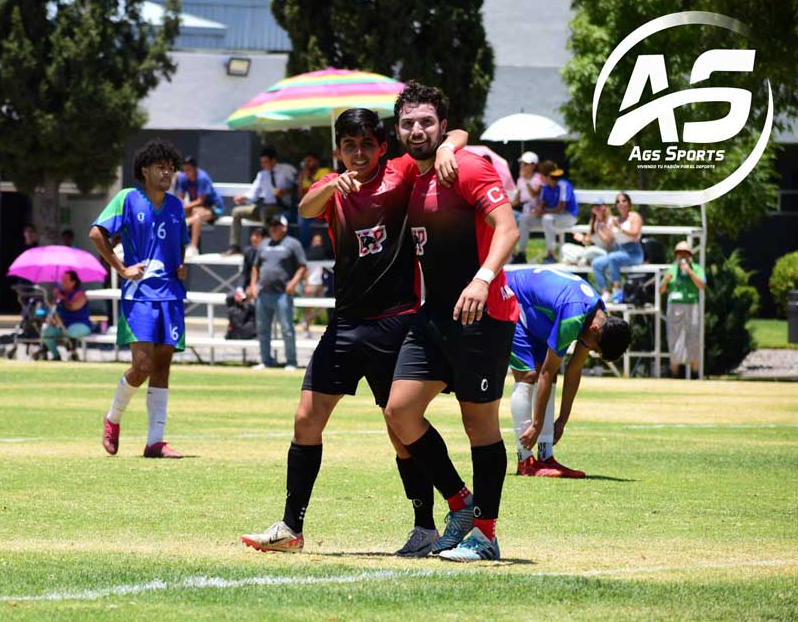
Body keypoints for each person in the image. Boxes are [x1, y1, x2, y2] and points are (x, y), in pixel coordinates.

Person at [240, 107, 468, 556]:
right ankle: (291, 527)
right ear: (338, 150)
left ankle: (426, 526)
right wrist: (328, 183)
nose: (358, 153)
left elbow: (457, 128)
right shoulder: (333, 186)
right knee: (306, 419)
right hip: (344, 323)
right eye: (349, 146)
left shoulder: (401, 171)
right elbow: (305, 208)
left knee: (399, 427)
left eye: (366, 144)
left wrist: (446, 147)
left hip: (396, 321)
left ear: (382, 146)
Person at [384, 81, 519, 563]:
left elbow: (508, 227)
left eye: (427, 122)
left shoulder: (465, 164)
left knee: (477, 423)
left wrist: (482, 279)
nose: (416, 129)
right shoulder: (410, 171)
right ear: (398, 131)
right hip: (434, 316)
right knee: (398, 411)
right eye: (407, 122)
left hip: (484, 314)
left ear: (441, 125)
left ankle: (486, 535)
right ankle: (460, 504)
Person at [89, 138, 188, 459]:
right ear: (144, 170)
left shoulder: (174, 205)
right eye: (161, 167)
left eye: (171, 168)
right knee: (142, 366)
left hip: (171, 295)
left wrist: (181, 264)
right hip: (140, 295)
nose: (167, 173)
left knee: (163, 367)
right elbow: (96, 233)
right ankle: (113, 418)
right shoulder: (127, 199)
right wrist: (121, 268)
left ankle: (155, 441)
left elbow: (180, 243)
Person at [505, 267, 632, 477]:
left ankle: (546, 457)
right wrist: (536, 425)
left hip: (537, 312)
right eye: (594, 348)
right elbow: (545, 372)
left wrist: (562, 420)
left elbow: (573, 370)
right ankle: (525, 460)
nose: (589, 350)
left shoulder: (597, 319)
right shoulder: (574, 318)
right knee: (529, 376)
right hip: (513, 298)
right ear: (595, 331)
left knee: (552, 375)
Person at [248, 214, 306, 370]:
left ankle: (291, 361)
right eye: (271, 225)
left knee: (287, 329)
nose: (273, 228)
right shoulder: (264, 244)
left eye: (277, 225)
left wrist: (293, 283)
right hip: (263, 293)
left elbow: (302, 266)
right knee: (262, 329)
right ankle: (266, 360)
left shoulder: (293, 244)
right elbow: (255, 266)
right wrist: (253, 285)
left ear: (284, 227)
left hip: (283, 294)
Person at [226, 147, 297, 255]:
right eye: (261, 162)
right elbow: (254, 194)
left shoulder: (287, 170)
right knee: (237, 212)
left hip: (281, 207)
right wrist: (243, 197)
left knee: (264, 211)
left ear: (273, 161)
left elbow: (298, 186)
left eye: (265, 162)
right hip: (266, 207)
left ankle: (272, 243)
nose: (263, 165)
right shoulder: (262, 174)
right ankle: (234, 246)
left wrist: (284, 191)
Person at [660, 241, 706, 378]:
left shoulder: (697, 268)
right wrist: (666, 281)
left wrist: (690, 272)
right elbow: (661, 290)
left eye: (685, 253)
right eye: (679, 253)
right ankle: (675, 373)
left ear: (690, 255)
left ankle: (695, 373)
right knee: (674, 338)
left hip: (692, 305)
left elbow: (702, 286)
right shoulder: (671, 269)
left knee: (693, 336)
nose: (682, 256)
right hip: (674, 306)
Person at [591, 192, 644, 303]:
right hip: (618, 251)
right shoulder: (616, 220)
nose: (621, 203)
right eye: (618, 201)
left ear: (629, 203)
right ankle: (606, 292)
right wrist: (598, 229)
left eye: (624, 200)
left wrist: (619, 228)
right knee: (596, 263)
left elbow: (635, 233)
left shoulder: (634, 216)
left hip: (633, 253)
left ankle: (617, 290)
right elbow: (609, 242)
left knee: (613, 258)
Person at [174, 155, 224, 257]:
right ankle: (177, 245)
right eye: (185, 170)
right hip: (195, 208)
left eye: (189, 170)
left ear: (195, 168)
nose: (187, 173)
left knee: (197, 215)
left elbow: (200, 201)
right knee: (177, 214)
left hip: (214, 208)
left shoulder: (202, 178)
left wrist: (187, 216)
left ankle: (193, 247)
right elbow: (180, 198)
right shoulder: (183, 178)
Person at [532, 160, 577, 264]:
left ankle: (551, 255)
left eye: (541, 176)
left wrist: (542, 212)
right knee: (526, 219)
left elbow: (560, 208)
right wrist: (537, 210)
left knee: (547, 219)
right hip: (552, 217)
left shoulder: (563, 185)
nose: (540, 178)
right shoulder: (545, 187)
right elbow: (541, 205)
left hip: (568, 217)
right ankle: (520, 254)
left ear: (547, 176)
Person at [41, 270, 92, 361]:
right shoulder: (60, 293)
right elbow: (54, 310)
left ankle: (72, 351)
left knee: (70, 332)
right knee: (46, 331)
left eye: (65, 280)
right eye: (61, 280)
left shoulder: (80, 294)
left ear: (73, 283)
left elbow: (72, 307)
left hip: (80, 325)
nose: (62, 282)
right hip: (63, 326)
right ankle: (56, 356)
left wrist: (61, 297)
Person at [560, 198, 615, 265]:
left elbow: (608, 243)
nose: (596, 208)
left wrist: (598, 230)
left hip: (606, 253)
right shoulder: (593, 221)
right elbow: (587, 242)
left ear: (605, 207)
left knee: (591, 250)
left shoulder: (611, 221)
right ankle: (581, 260)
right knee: (566, 247)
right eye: (594, 206)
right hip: (592, 252)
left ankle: (575, 260)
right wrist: (581, 238)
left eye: (598, 205)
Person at [512, 151, 542, 263]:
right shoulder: (520, 180)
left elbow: (535, 194)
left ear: (534, 165)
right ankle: (511, 253)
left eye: (525, 164)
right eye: (522, 164)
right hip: (524, 213)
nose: (522, 166)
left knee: (523, 220)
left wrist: (527, 181)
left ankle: (521, 253)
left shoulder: (539, 178)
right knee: (508, 216)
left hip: (535, 214)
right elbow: (517, 200)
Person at [297, 153, 332, 247]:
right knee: (302, 218)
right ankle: (305, 248)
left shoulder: (325, 171)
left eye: (309, 161)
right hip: (311, 211)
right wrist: (300, 181)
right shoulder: (303, 175)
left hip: (324, 209)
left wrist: (309, 178)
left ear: (316, 161)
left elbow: (323, 192)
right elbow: (301, 198)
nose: (307, 164)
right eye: (305, 162)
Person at [301, 233, 329, 338]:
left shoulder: (322, 253)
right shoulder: (308, 253)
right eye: (316, 240)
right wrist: (306, 284)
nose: (318, 243)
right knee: (309, 307)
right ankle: (306, 330)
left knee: (324, 307)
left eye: (319, 241)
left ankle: (305, 321)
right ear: (312, 242)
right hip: (311, 283)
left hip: (320, 283)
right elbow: (305, 270)